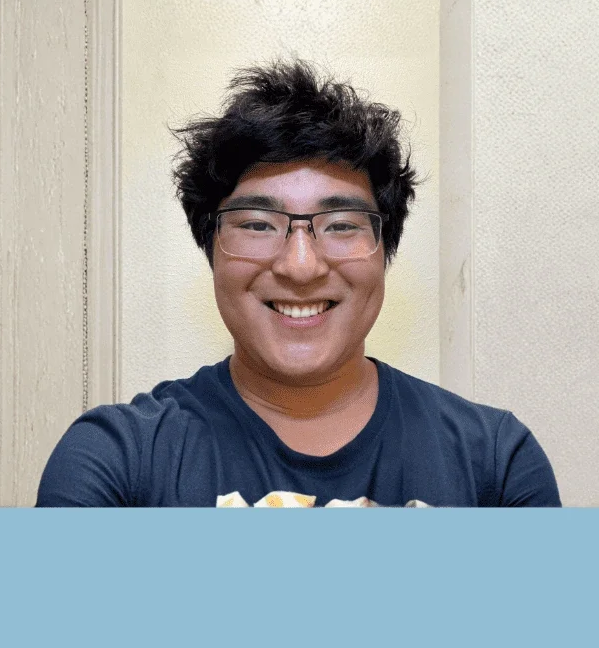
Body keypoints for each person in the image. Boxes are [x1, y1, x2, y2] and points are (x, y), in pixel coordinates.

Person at [37, 59, 560, 507]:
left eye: (340, 226)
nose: (301, 265)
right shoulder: (117, 461)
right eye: (259, 225)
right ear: (211, 249)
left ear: (385, 251)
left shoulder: (494, 464)